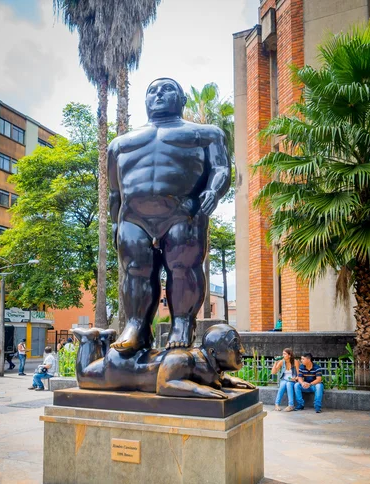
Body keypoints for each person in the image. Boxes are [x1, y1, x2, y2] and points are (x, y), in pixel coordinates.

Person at [108, 77, 231, 354]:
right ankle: (136, 325)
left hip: (183, 211)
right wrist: (116, 224)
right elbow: (114, 193)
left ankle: (182, 323)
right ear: (145, 100)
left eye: (167, 89)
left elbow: (221, 169)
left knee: (183, 268)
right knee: (135, 271)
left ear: (182, 100)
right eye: (152, 90)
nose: (159, 95)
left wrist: (213, 191)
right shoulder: (120, 143)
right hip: (132, 217)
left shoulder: (206, 133)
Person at [74, 324, 255, 398]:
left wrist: (226, 381)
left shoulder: (206, 364)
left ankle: (106, 338)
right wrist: (200, 390)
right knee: (84, 377)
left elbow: (206, 378)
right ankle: (87, 340)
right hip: (122, 368)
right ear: (213, 351)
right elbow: (165, 384)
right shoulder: (183, 357)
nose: (241, 351)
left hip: (131, 362)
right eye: (235, 345)